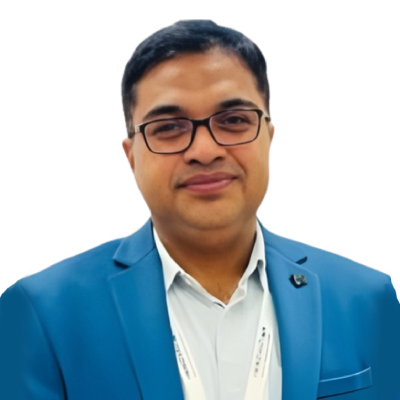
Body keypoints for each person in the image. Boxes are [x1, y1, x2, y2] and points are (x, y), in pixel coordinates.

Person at [0, 19, 398, 400]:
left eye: (234, 120)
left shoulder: (365, 299)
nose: (205, 151)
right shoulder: (44, 311)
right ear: (131, 157)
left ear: (269, 137)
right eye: (169, 127)